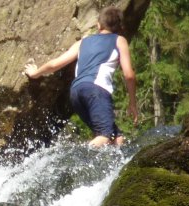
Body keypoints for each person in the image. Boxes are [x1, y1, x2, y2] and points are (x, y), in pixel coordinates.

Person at [24, 7, 139, 147]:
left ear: (98, 24)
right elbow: (129, 75)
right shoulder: (119, 40)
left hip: (76, 92)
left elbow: (55, 64)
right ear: (120, 26)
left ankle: (108, 167)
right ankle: (78, 157)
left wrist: (35, 73)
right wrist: (132, 102)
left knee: (117, 138)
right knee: (105, 136)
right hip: (96, 90)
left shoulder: (83, 42)